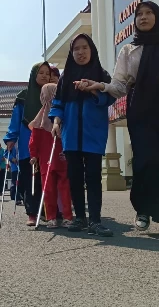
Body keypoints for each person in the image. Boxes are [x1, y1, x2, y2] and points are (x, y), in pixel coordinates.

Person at [85, 1, 159, 238]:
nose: (143, 17)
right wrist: (101, 85)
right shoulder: (129, 50)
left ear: (157, 17)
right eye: (139, 14)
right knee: (146, 159)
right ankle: (143, 210)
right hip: (141, 107)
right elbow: (120, 85)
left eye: (149, 13)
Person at [50, 34, 116, 235]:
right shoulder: (65, 77)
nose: (80, 52)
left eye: (84, 47)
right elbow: (58, 103)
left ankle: (95, 220)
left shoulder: (101, 74)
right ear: (71, 53)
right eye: (76, 49)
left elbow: (110, 98)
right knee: (75, 177)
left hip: (93, 135)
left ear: (91, 49)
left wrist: (93, 90)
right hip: (71, 136)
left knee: (94, 177)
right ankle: (80, 217)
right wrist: (56, 121)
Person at [4, 62, 52, 226]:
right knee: (29, 178)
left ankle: (47, 211)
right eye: (41, 73)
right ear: (34, 75)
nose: (45, 76)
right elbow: (15, 120)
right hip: (26, 143)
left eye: (48, 73)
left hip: (47, 140)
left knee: (46, 178)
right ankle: (32, 213)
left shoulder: (52, 94)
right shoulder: (23, 96)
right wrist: (11, 138)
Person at [30, 83, 73, 229]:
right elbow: (34, 140)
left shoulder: (61, 114)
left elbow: (33, 140)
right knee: (51, 189)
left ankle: (63, 216)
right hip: (48, 159)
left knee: (62, 188)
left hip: (60, 157)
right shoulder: (40, 118)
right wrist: (34, 155)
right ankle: (54, 217)